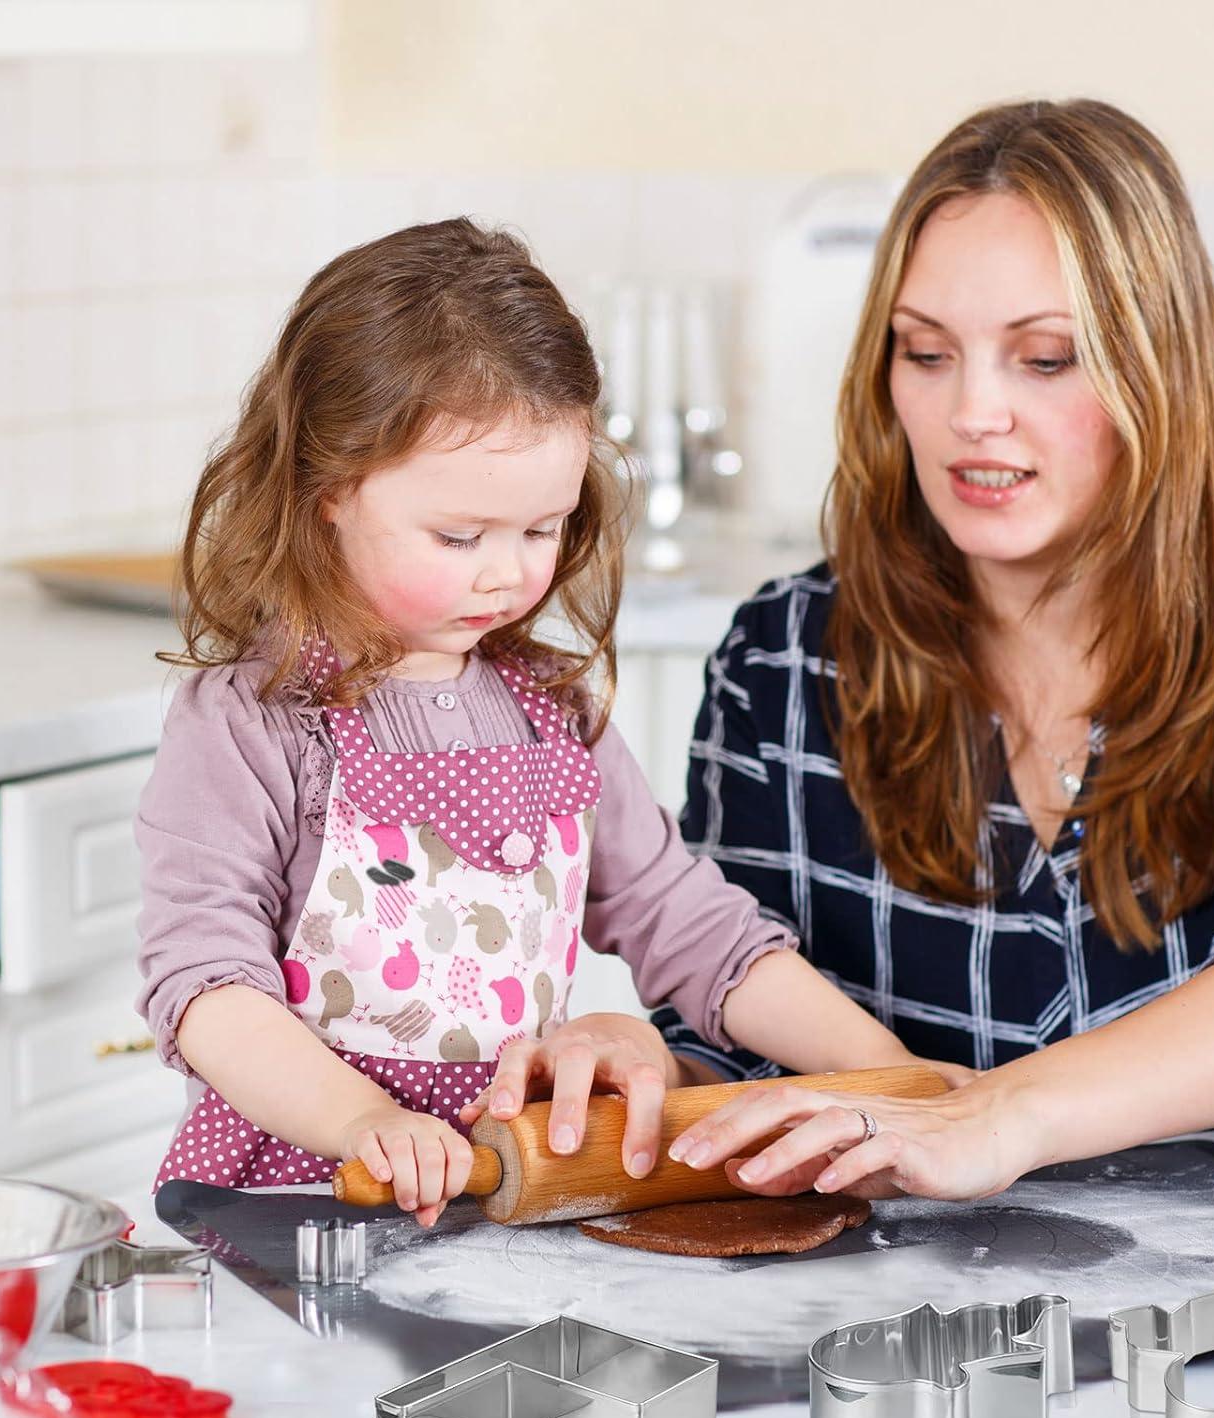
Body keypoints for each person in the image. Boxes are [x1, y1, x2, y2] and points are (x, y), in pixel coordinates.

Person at [499, 99, 1214, 1203]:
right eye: (926, 353)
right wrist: (649, 1075)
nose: (972, 412)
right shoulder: (784, 654)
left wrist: (1009, 1115)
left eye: (1045, 359)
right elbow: (763, 1056)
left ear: (1160, 366)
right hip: (909, 1305)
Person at [134, 218, 932, 1227]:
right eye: (459, 534)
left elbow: (691, 929)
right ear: (327, 490)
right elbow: (205, 988)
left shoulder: (553, 711)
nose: (509, 570)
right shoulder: (251, 724)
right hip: (299, 1195)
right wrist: (366, 1123)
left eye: (542, 528)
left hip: (502, 1190)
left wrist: (893, 1076)